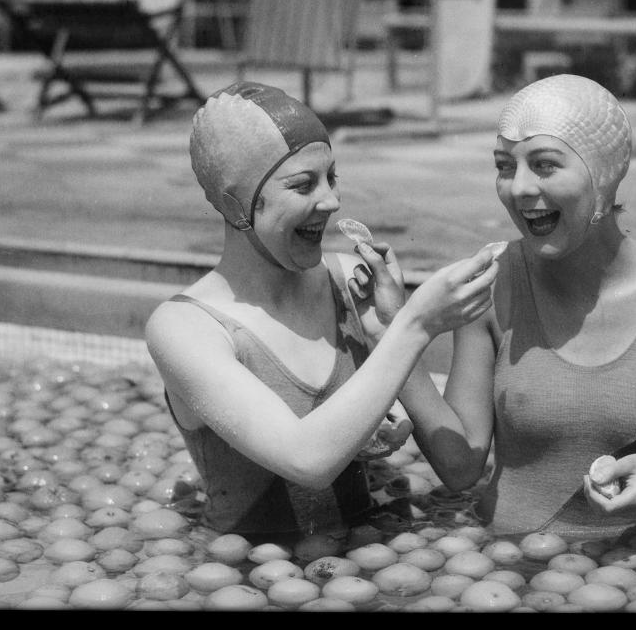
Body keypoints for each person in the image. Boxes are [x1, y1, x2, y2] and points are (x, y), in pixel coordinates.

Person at [368, 74, 636, 542]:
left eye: (545, 165)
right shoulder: (491, 286)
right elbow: (460, 466)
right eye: (505, 166)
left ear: (603, 172)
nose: (519, 188)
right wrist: (395, 326)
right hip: (501, 565)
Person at [145, 81, 499, 542]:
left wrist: (388, 329)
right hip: (250, 577)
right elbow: (307, 460)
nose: (331, 201)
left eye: (332, 176)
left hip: (367, 563)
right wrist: (414, 327)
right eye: (303, 185)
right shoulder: (184, 327)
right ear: (235, 206)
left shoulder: (351, 284)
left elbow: (461, 467)